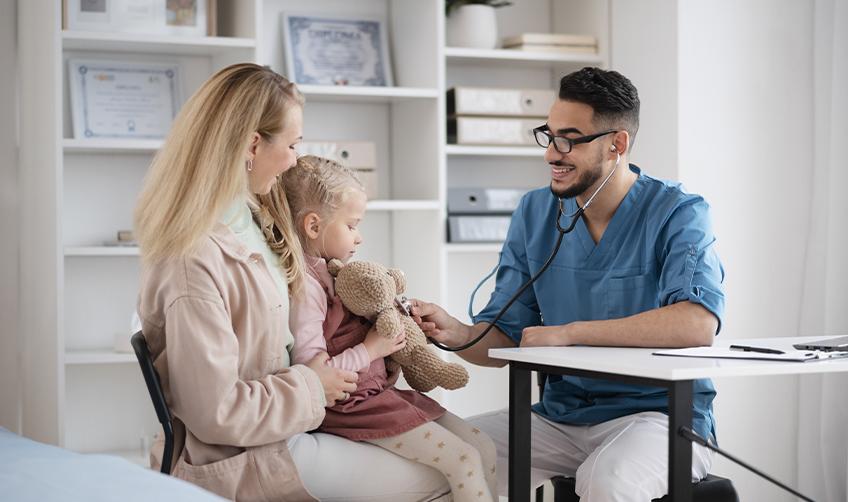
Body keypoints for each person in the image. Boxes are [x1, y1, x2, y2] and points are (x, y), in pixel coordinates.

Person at [134, 63, 451, 502]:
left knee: (461, 448)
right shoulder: (193, 259)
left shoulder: (255, 218)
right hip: (245, 452)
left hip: (289, 422)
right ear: (251, 144)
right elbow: (215, 412)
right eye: (292, 143)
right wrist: (312, 385)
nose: (296, 159)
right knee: (449, 473)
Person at [411, 67, 725, 502]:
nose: (552, 154)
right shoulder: (535, 211)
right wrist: (458, 333)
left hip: (659, 418)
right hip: (561, 417)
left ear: (617, 145)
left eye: (571, 139)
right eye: (550, 134)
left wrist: (570, 334)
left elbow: (696, 324)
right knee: (436, 461)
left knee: (607, 481)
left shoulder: (679, 212)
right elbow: (506, 337)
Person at [262, 155, 497, 502]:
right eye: (352, 225)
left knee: (484, 448)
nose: (358, 238)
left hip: (377, 397)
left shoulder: (333, 271)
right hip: (353, 408)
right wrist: (371, 350)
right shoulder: (307, 287)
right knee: (464, 459)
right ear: (313, 226)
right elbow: (313, 373)